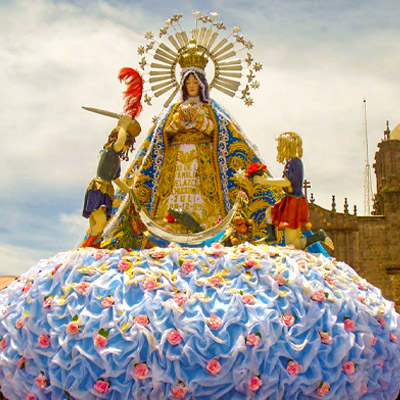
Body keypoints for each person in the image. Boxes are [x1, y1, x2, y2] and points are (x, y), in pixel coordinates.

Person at [102, 43, 280, 249]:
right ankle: (169, 224)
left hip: (203, 160)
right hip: (175, 161)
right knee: (172, 196)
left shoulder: (212, 109)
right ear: (183, 84)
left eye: (196, 82)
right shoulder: (174, 109)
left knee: (204, 195)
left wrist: (199, 122)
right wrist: (177, 122)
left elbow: (221, 132)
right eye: (189, 82)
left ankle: (206, 223)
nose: (192, 86)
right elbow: (162, 134)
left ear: (202, 83)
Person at [255, 131, 334, 250]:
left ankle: (319, 236)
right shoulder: (292, 163)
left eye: (280, 145)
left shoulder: (294, 163)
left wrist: (266, 181)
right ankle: (271, 237)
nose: (277, 148)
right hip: (290, 200)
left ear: (287, 146)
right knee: (270, 212)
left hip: (294, 203)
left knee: (292, 244)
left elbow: (287, 182)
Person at [81, 115, 141, 247]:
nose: (125, 148)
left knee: (96, 225)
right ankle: (86, 246)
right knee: (100, 221)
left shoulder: (116, 161)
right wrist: (124, 126)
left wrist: (130, 192)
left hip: (107, 190)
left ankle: (91, 247)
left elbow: (117, 180)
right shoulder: (110, 151)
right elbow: (119, 142)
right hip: (98, 187)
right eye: (126, 144)